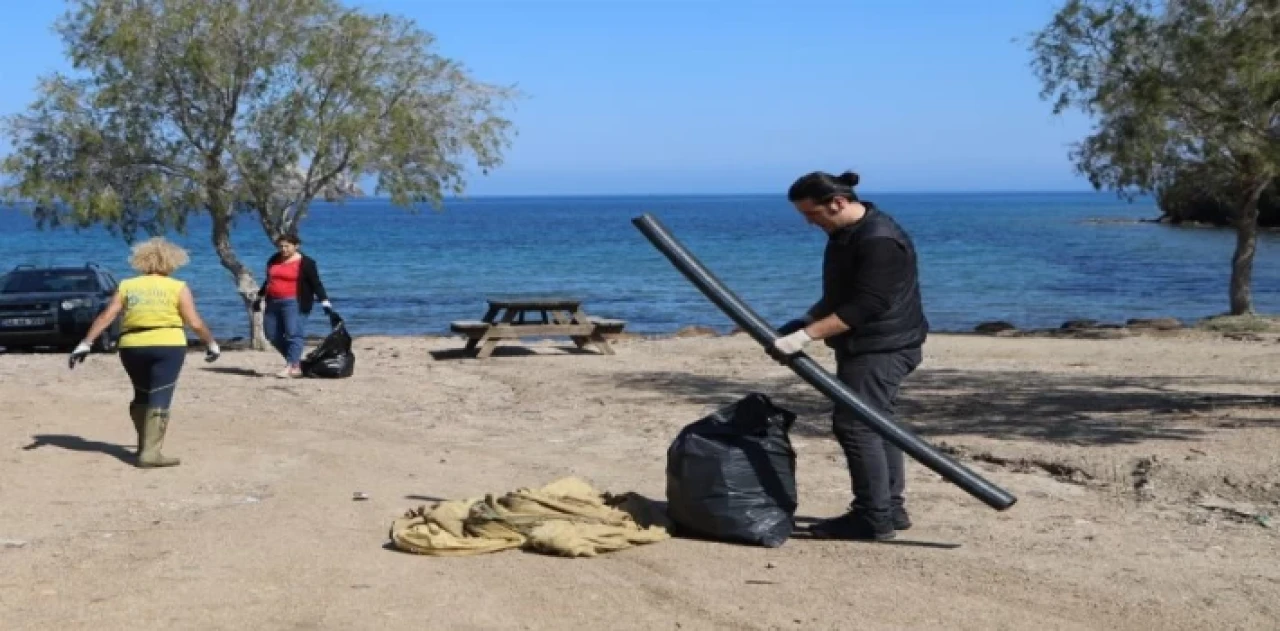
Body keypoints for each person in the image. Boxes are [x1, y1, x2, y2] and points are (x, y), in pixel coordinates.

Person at [769, 170, 929, 541]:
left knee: (856, 424)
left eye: (813, 214)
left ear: (837, 203)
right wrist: (806, 319)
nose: (810, 223)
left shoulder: (879, 241)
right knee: (878, 421)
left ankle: (872, 517)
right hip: (866, 345)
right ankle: (890, 509)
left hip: (884, 347)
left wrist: (805, 337)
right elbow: (841, 293)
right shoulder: (844, 235)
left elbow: (867, 304)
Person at [69, 237, 221, 468]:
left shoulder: (128, 285)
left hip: (132, 345)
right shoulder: (177, 287)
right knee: (160, 393)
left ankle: (144, 445)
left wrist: (86, 343)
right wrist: (211, 343)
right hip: (167, 344)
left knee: (141, 393)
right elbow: (194, 322)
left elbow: (106, 316)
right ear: (171, 261)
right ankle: (151, 453)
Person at [251, 233, 332, 378]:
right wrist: (259, 296)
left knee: (293, 333)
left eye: (287, 246)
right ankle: (295, 362)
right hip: (273, 301)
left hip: (294, 302)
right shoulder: (273, 259)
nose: (283, 249)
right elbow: (269, 280)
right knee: (272, 334)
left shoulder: (306, 263)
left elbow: (316, 284)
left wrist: (325, 303)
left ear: (296, 246)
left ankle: (293, 366)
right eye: (280, 246)